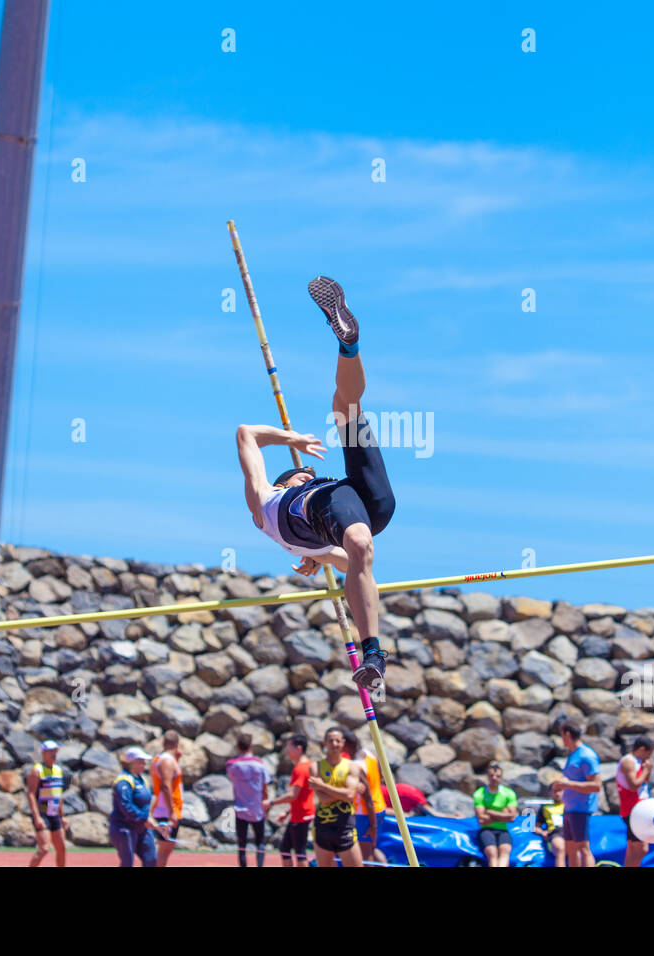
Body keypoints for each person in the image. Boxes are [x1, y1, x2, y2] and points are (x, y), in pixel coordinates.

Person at [237, 277, 395, 697]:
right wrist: (319, 560)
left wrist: (321, 556)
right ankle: (374, 655)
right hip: (348, 513)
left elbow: (246, 433)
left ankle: (349, 343)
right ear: (284, 482)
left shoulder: (300, 522)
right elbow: (246, 435)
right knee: (360, 546)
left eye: (307, 469)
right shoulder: (266, 503)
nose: (305, 470)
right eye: (299, 472)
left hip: (358, 503)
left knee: (347, 408)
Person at [309, 726, 364, 867]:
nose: (334, 744)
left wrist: (323, 786)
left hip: (345, 826)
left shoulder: (352, 767)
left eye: (337, 741)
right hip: (323, 827)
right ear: (325, 743)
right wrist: (344, 792)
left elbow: (350, 796)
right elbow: (324, 799)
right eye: (331, 741)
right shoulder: (316, 767)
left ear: (343, 743)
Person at [550, 722, 602, 867]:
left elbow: (596, 786)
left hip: (581, 809)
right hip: (569, 808)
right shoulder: (573, 755)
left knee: (583, 848)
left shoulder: (587, 755)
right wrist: (560, 785)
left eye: (562, 736)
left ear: (567, 734)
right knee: (571, 849)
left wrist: (568, 784)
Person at [266, 733, 314, 867]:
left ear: (298, 748)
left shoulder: (300, 768)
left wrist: (271, 803)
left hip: (301, 816)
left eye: (289, 747)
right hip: (298, 814)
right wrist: (287, 812)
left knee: (300, 852)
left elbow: (293, 795)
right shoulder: (306, 765)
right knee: (285, 848)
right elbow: (300, 796)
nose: (287, 751)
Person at [341, 729, 389, 863]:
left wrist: (372, 825)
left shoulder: (357, 765)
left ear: (346, 744)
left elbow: (366, 796)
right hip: (379, 807)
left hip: (366, 812)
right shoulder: (370, 754)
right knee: (372, 849)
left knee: (365, 855)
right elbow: (379, 777)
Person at [227, 732, 272, 867]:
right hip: (257, 808)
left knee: (242, 844)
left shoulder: (231, 765)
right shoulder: (260, 765)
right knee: (260, 842)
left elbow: (233, 780)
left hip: (240, 807)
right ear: (251, 746)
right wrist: (266, 806)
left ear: (237, 747)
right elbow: (265, 787)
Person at [109, 747, 159, 867]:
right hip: (124, 827)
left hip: (142, 827)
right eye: (140, 761)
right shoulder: (123, 781)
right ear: (131, 763)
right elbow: (125, 805)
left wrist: (150, 817)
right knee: (127, 862)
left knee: (151, 859)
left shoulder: (143, 780)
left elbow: (147, 802)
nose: (144, 764)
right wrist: (143, 817)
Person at [26, 739, 68, 867]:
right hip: (42, 813)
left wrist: (62, 816)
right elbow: (31, 794)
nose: (53, 754)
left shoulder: (58, 770)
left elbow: (58, 794)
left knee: (61, 848)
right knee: (44, 848)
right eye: (50, 752)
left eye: (55, 751)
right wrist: (36, 816)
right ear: (43, 753)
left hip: (54, 813)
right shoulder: (37, 771)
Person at [616, 736, 654, 867]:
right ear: (642, 749)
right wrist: (646, 770)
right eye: (648, 754)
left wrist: (647, 771)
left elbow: (645, 783)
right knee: (642, 849)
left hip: (638, 809)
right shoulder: (628, 761)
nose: (648, 758)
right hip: (633, 810)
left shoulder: (639, 762)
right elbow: (634, 785)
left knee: (633, 849)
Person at [473, 763, 519, 867]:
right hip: (486, 829)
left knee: (505, 851)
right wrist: (503, 815)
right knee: (492, 853)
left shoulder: (508, 793)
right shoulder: (480, 793)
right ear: (487, 777)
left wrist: (490, 812)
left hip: (503, 830)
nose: (494, 778)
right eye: (491, 776)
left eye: (497, 776)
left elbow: (512, 816)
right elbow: (481, 819)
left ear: (501, 778)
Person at [149, 730, 184, 867]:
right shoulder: (167, 762)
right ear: (177, 744)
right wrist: (171, 812)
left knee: (165, 850)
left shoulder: (162, 759)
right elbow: (165, 785)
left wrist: (177, 759)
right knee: (164, 851)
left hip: (165, 810)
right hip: (165, 811)